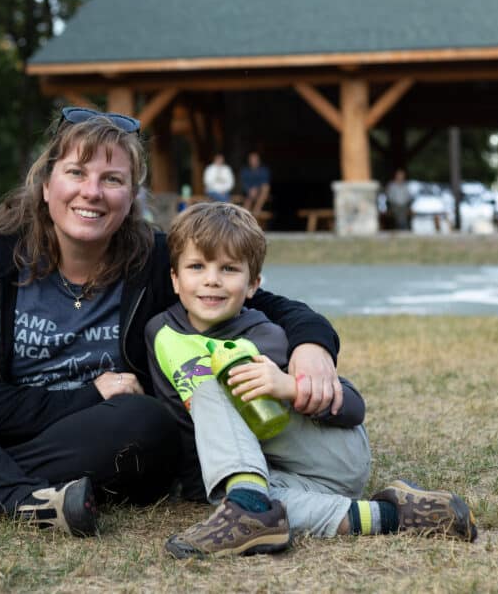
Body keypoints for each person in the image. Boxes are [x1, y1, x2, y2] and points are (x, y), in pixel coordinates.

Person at [0, 107, 344, 538]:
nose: (92, 192)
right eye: (76, 172)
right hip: (12, 424)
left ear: (131, 197)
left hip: (107, 439)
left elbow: (269, 304)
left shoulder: (154, 258)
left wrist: (312, 347)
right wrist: (90, 393)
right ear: (46, 185)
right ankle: (25, 501)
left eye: (112, 179)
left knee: (146, 419)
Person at [147, 202, 477, 558]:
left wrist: (289, 387)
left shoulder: (269, 336)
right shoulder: (160, 334)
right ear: (175, 279)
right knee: (250, 499)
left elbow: (353, 407)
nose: (211, 279)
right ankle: (396, 515)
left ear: (253, 283)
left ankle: (247, 503)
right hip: (275, 475)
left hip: (332, 453)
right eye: (197, 267)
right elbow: (180, 418)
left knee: (212, 385)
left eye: (228, 269)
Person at [240, 151, 270, 215]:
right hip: (248, 193)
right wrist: (249, 190)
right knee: (250, 197)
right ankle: (245, 215)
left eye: (255, 159)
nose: (254, 161)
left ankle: (256, 209)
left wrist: (256, 188)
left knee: (266, 187)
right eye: (252, 159)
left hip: (261, 192)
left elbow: (264, 182)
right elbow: (244, 183)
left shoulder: (264, 170)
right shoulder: (245, 171)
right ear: (249, 161)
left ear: (259, 160)